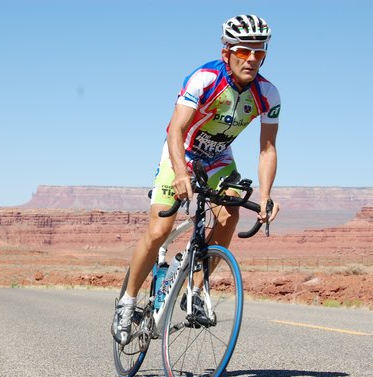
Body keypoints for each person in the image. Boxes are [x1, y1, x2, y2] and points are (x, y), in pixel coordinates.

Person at [112, 14, 281, 344]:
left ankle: (197, 289)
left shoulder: (268, 94)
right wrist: (179, 173)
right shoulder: (204, 79)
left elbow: (268, 149)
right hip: (182, 153)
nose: (251, 59)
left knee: (230, 211)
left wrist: (265, 195)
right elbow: (175, 129)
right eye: (243, 51)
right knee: (160, 229)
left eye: (258, 53)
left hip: (217, 160)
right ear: (227, 52)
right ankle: (127, 301)